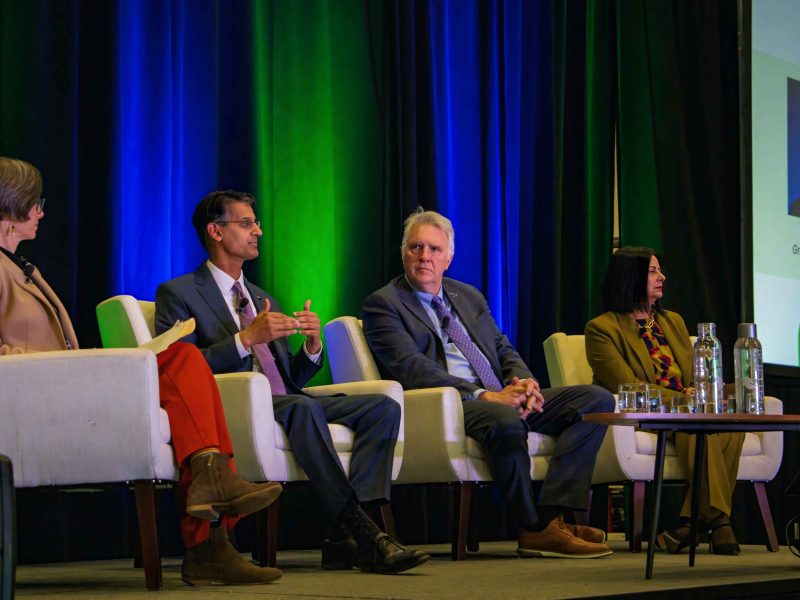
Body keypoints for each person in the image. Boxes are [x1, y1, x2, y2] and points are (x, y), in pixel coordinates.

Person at [0, 156, 283, 585]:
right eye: (36, 202)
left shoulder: (21, 266)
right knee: (186, 361)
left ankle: (212, 511)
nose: (41, 211)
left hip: (64, 382)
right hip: (40, 390)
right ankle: (208, 536)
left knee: (186, 361)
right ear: (14, 204)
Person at [155, 190, 428, 575]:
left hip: (284, 399)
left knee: (382, 407)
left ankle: (343, 534)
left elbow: (287, 380)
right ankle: (365, 534)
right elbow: (181, 369)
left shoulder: (262, 297)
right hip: (230, 406)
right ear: (216, 231)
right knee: (301, 408)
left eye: (256, 223)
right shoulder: (179, 293)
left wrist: (312, 349)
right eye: (247, 224)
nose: (259, 232)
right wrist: (245, 339)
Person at [362, 208, 616, 559]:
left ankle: (551, 517)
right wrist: (486, 395)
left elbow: (501, 347)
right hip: (449, 405)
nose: (424, 257)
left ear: (449, 257)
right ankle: (532, 528)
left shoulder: (468, 295)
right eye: (416, 247)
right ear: (403, 252)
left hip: (500, 394)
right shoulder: (383, 304)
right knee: (505, 419)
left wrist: (526, 386)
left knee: (595, 401)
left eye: (435, 250)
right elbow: (411, 369)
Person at [585, 246, 744, 555]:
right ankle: (717, 521)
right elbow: (627, 385)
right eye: (653, 271)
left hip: (687, 409)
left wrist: (699, 392)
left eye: (660, 271)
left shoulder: (673, 322)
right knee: (696, 426)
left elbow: (690, 377)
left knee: (731, 424)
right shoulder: (602, 328)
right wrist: (685, 399)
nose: (663, 277)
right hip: (645, 413)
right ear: (630, 277)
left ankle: (692, 522)